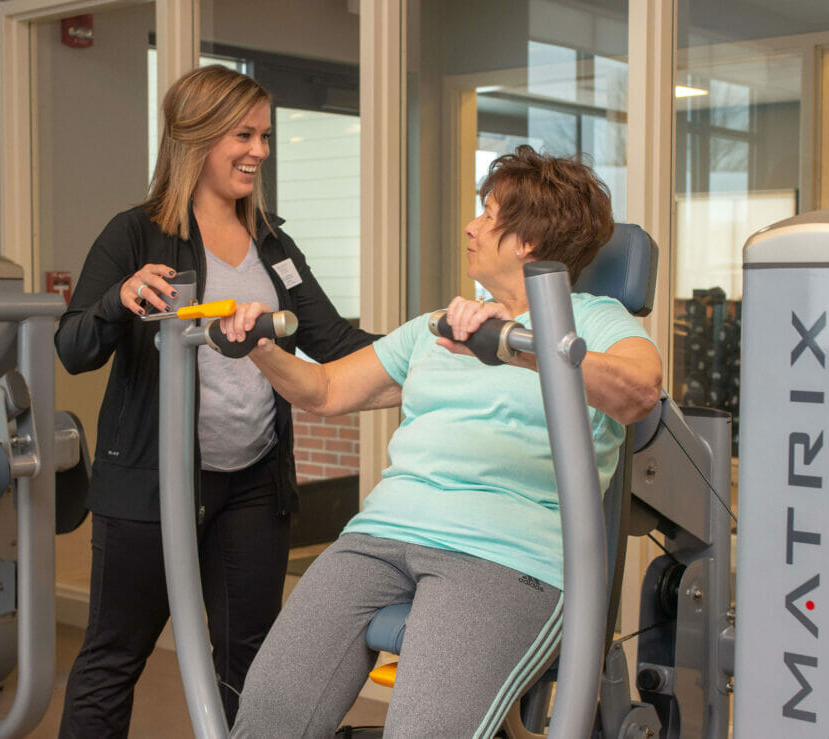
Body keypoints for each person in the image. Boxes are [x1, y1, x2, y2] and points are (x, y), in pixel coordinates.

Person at [220, 144, 664, 738]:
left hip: (504, 555)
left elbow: (639, 391)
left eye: (488, 215)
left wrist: (513, 346)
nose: (470, 227)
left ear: (529, 241)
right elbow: (324, 390)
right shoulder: (441, 326)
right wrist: (260, 348)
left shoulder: (594, 320)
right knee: (268, 717)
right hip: (378, 538)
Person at [54, 65, 378, 737]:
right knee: (115, 658)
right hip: (151, 484)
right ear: (197, 138)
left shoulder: (272, 242)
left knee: (248, 659)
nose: (260, 150)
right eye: (244, 135)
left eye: (265, 135)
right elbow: (74, 348)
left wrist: (433, 339)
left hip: (252, 481)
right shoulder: (135, 233)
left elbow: (333, 340)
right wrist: (118, 299)